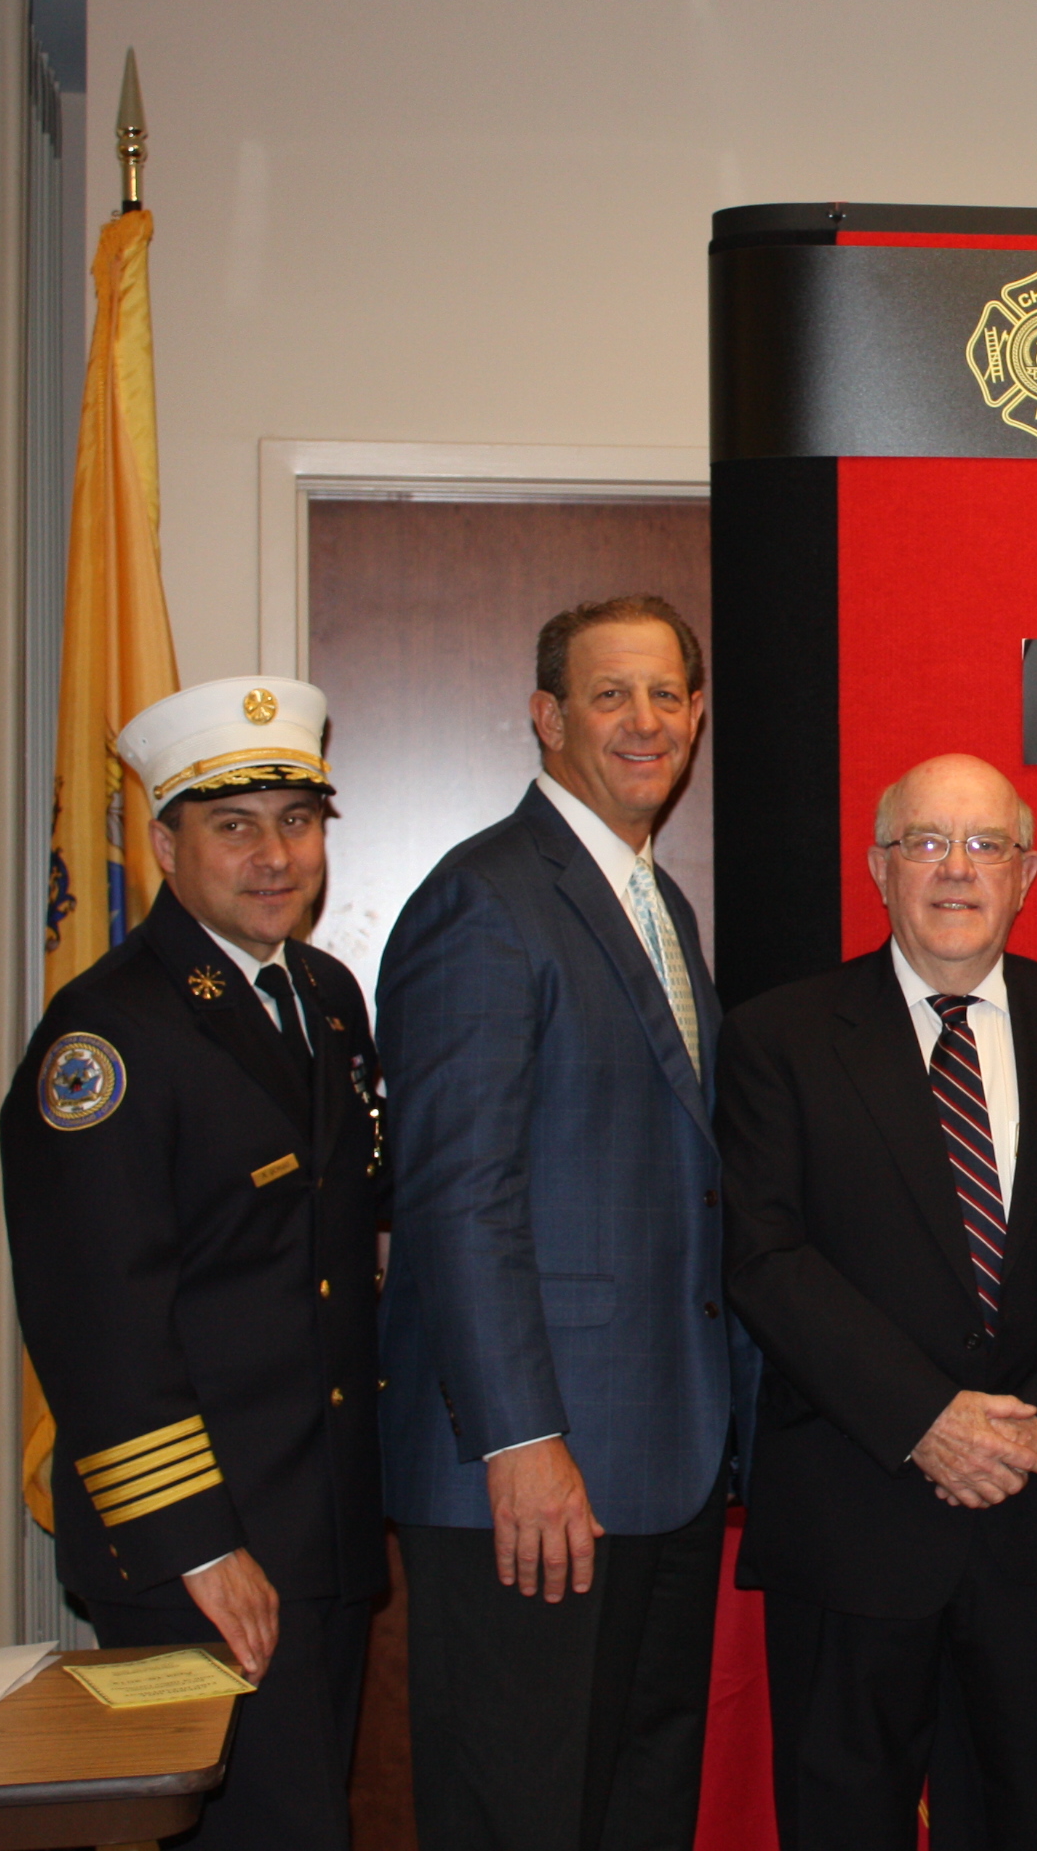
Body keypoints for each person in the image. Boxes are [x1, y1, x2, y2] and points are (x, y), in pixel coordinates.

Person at [719, 754, 1037, 1851]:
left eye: (985, 846)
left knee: (1035, 1822)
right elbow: (766, 1257)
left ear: (1027, 873)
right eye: (925, 843)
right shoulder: (779, 1038)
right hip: (853, 1519)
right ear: (878, 868)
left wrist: (1034, 1423)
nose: (955, 870)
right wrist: (927, 1418)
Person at [378, 594, 754, 1851]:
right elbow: (455, 1199)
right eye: (610, 695)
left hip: (660, 1465)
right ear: (546, 717)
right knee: (522, 1814)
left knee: (631, 1808)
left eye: (666, 696)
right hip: (534, 1478)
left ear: (696, 718)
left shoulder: (663, 909)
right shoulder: (483, 903)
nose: (645, 722)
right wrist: (521, 1439)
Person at [1, 677, 384, 1849]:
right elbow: (96, 1323)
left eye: (297, 820)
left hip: (318, 1531)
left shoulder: (324, 997)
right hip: (198, 1549)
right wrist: (201, 1546)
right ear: (164, 842)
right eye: (234, 825)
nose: (275, 856)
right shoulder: (107, 1036)